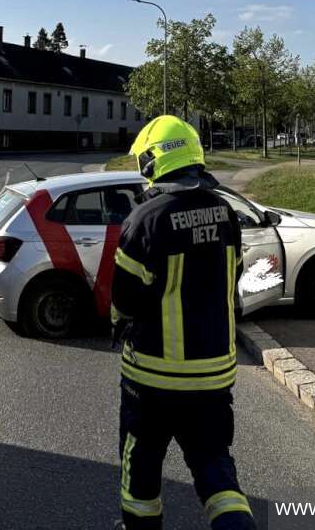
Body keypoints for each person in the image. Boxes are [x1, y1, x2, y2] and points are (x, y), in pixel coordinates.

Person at [110, 115, 256, 530]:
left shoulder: (145, 220)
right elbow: (235, 273)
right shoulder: (226, 212)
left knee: (141, 473)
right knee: (216, 470)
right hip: (213, 375)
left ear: (152, 162)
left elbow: (124, 299)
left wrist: (118, 324)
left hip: (152, 379)